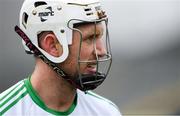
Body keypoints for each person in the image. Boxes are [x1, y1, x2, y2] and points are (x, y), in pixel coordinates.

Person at [0, 0, 121, 115]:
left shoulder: (107, 112)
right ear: (53, 45)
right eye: (90, 38)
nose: (102, 51)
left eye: (99, 37)